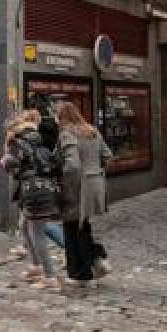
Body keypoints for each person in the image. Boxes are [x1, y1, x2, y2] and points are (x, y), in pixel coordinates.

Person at [1, 109, 64, 290]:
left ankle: (50, 277)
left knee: (38, 235)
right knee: (24, 226)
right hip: (43, 189)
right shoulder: (37, 138)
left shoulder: (16, 142)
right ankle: (35, 266)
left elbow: (10, 164)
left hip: (34, 192)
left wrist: (4, 160)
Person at [56, 101, 113, 287]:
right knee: (82, 226)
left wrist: (63, 184)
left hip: (77, 187)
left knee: (72, 228)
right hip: (94, 184)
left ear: (62, 117)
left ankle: (81, 273)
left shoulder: (67, 134)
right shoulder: (92, 130)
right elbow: (107, 156)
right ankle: (94, 260)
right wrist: (95, 171)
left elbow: (72, 165)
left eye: (56, 116)